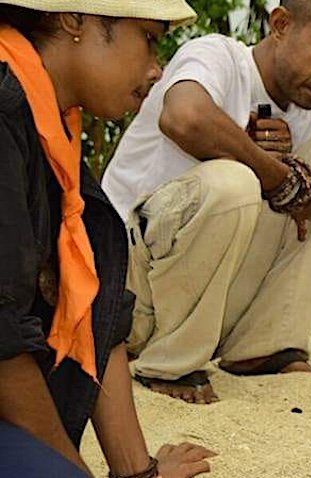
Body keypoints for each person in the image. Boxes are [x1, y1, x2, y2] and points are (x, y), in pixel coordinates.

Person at [101, 0, 311, 405]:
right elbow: (184, 117)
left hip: (211, 305)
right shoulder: (217, 56)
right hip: (125, 292)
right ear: (280, 24)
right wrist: (279, 176)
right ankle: (170, 363)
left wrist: (283, 180)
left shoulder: (307, 109)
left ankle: (266, 345)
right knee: (234, 182)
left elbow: (279, 210)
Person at [0, 1, 216, 476]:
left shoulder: (53, 127)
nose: (156, 69)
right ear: (74, 21)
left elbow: (97, 298)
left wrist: (139, 472)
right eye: (150, 39)